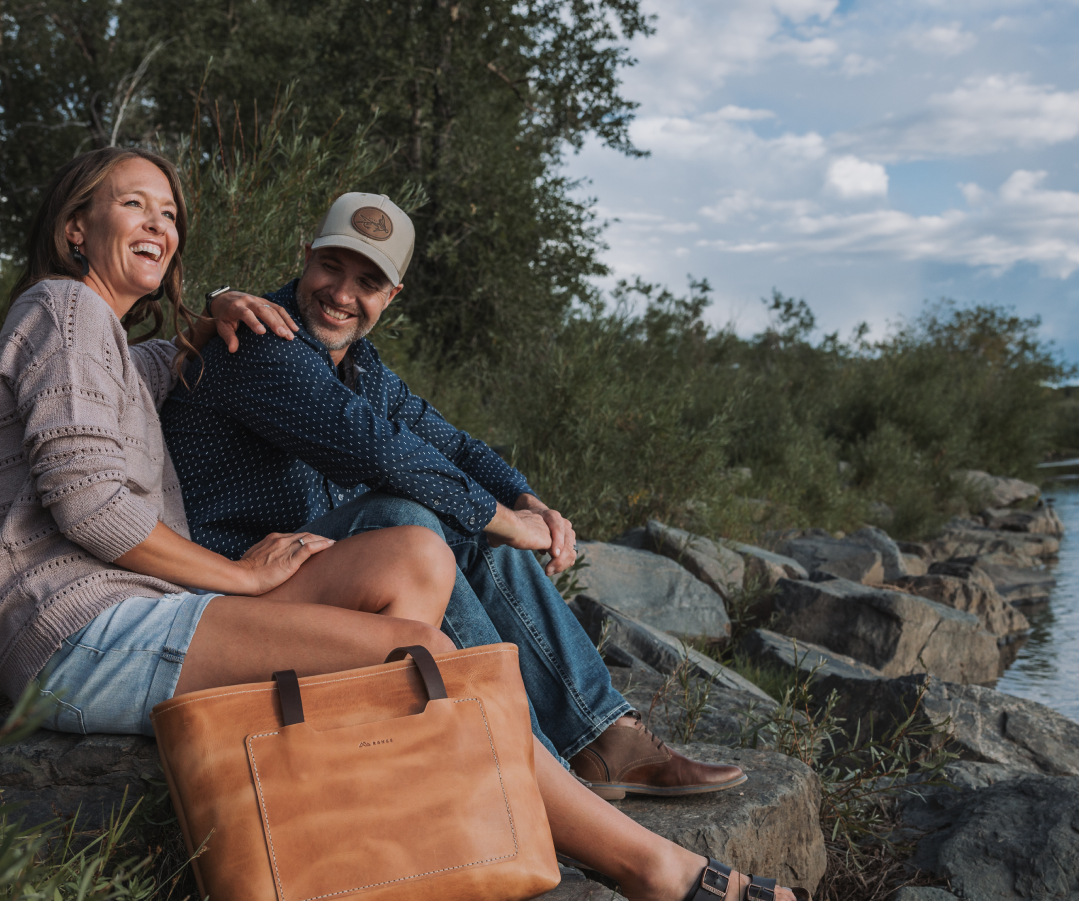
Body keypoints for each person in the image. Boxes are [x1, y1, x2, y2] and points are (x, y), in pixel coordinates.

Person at [0, 147, 812, 901]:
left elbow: (436, 437)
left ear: (393, 293)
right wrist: (236, 579)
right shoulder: (74, 311)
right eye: (133, 203)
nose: (159, 223)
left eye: (169, 212)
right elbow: (92, 506)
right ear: (76, 229)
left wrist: (523, 498)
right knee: (418, 623)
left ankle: (563, 750)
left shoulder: (118, 337)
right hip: (80, 630)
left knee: (426, 548)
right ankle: (635, 858)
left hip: (155, 608)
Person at [160, 192, 745, 799]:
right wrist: (502, 521)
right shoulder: (257, 340)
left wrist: (525, 501)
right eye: (331, 266)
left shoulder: (357, 363)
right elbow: (375, 450)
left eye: (368, 280)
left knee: (465, 513)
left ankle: (604, 738)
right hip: (236, 590)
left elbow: (452, 446)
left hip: (305, 572)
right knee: (410, 515)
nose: (340, 293)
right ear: (305, 258)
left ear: (392, 296)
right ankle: (532, 764)